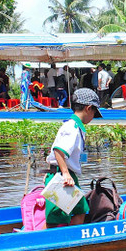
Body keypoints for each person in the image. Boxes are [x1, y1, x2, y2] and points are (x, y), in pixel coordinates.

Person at [44, 88, 103, 228]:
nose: (93, 116)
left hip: (67, 174)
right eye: (94, 113)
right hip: (61, 176)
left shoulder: (76, 127)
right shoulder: (72, 128)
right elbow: (58, 150)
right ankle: (52, 242)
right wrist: (64, 173)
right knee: (56, 217)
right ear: (89, 108)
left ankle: (72, 238)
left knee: (80, 208)